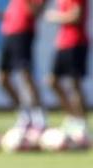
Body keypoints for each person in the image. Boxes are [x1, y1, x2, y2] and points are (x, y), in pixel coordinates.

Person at [0, 0, 47, 130]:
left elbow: (36, 11)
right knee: (1, 78)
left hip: (23, 32)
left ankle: (39, 118)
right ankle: (24, 116)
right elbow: (14, 14)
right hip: (9, 32)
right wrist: (0, 15)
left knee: (25, 74)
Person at [45, 0, 89, 140]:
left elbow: (76, 17)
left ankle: (82, 123)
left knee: (75, 84)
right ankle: (72, 118)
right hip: (62, 43)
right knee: (52, 81)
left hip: (76, 42)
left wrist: (55, 16)